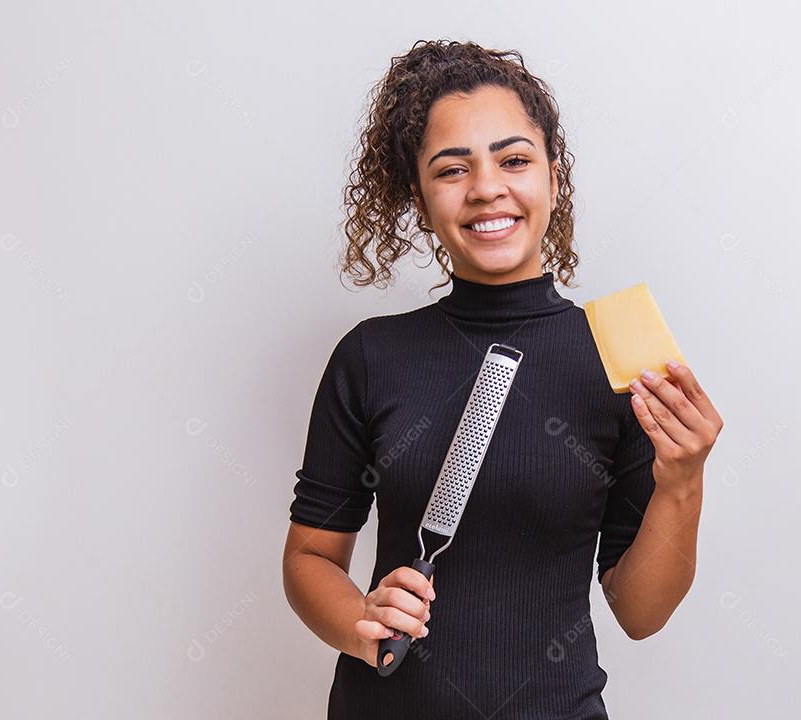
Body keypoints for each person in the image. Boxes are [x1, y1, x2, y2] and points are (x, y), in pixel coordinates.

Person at [281, 39, 723, 720]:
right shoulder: (371, 356)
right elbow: (311, 555)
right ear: (419, 197)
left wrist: (683, 483)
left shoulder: (617, 358)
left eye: (513, 160)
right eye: (451, 169)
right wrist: (360, 624)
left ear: (552, 175)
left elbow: (640, 612)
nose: (488, 187)